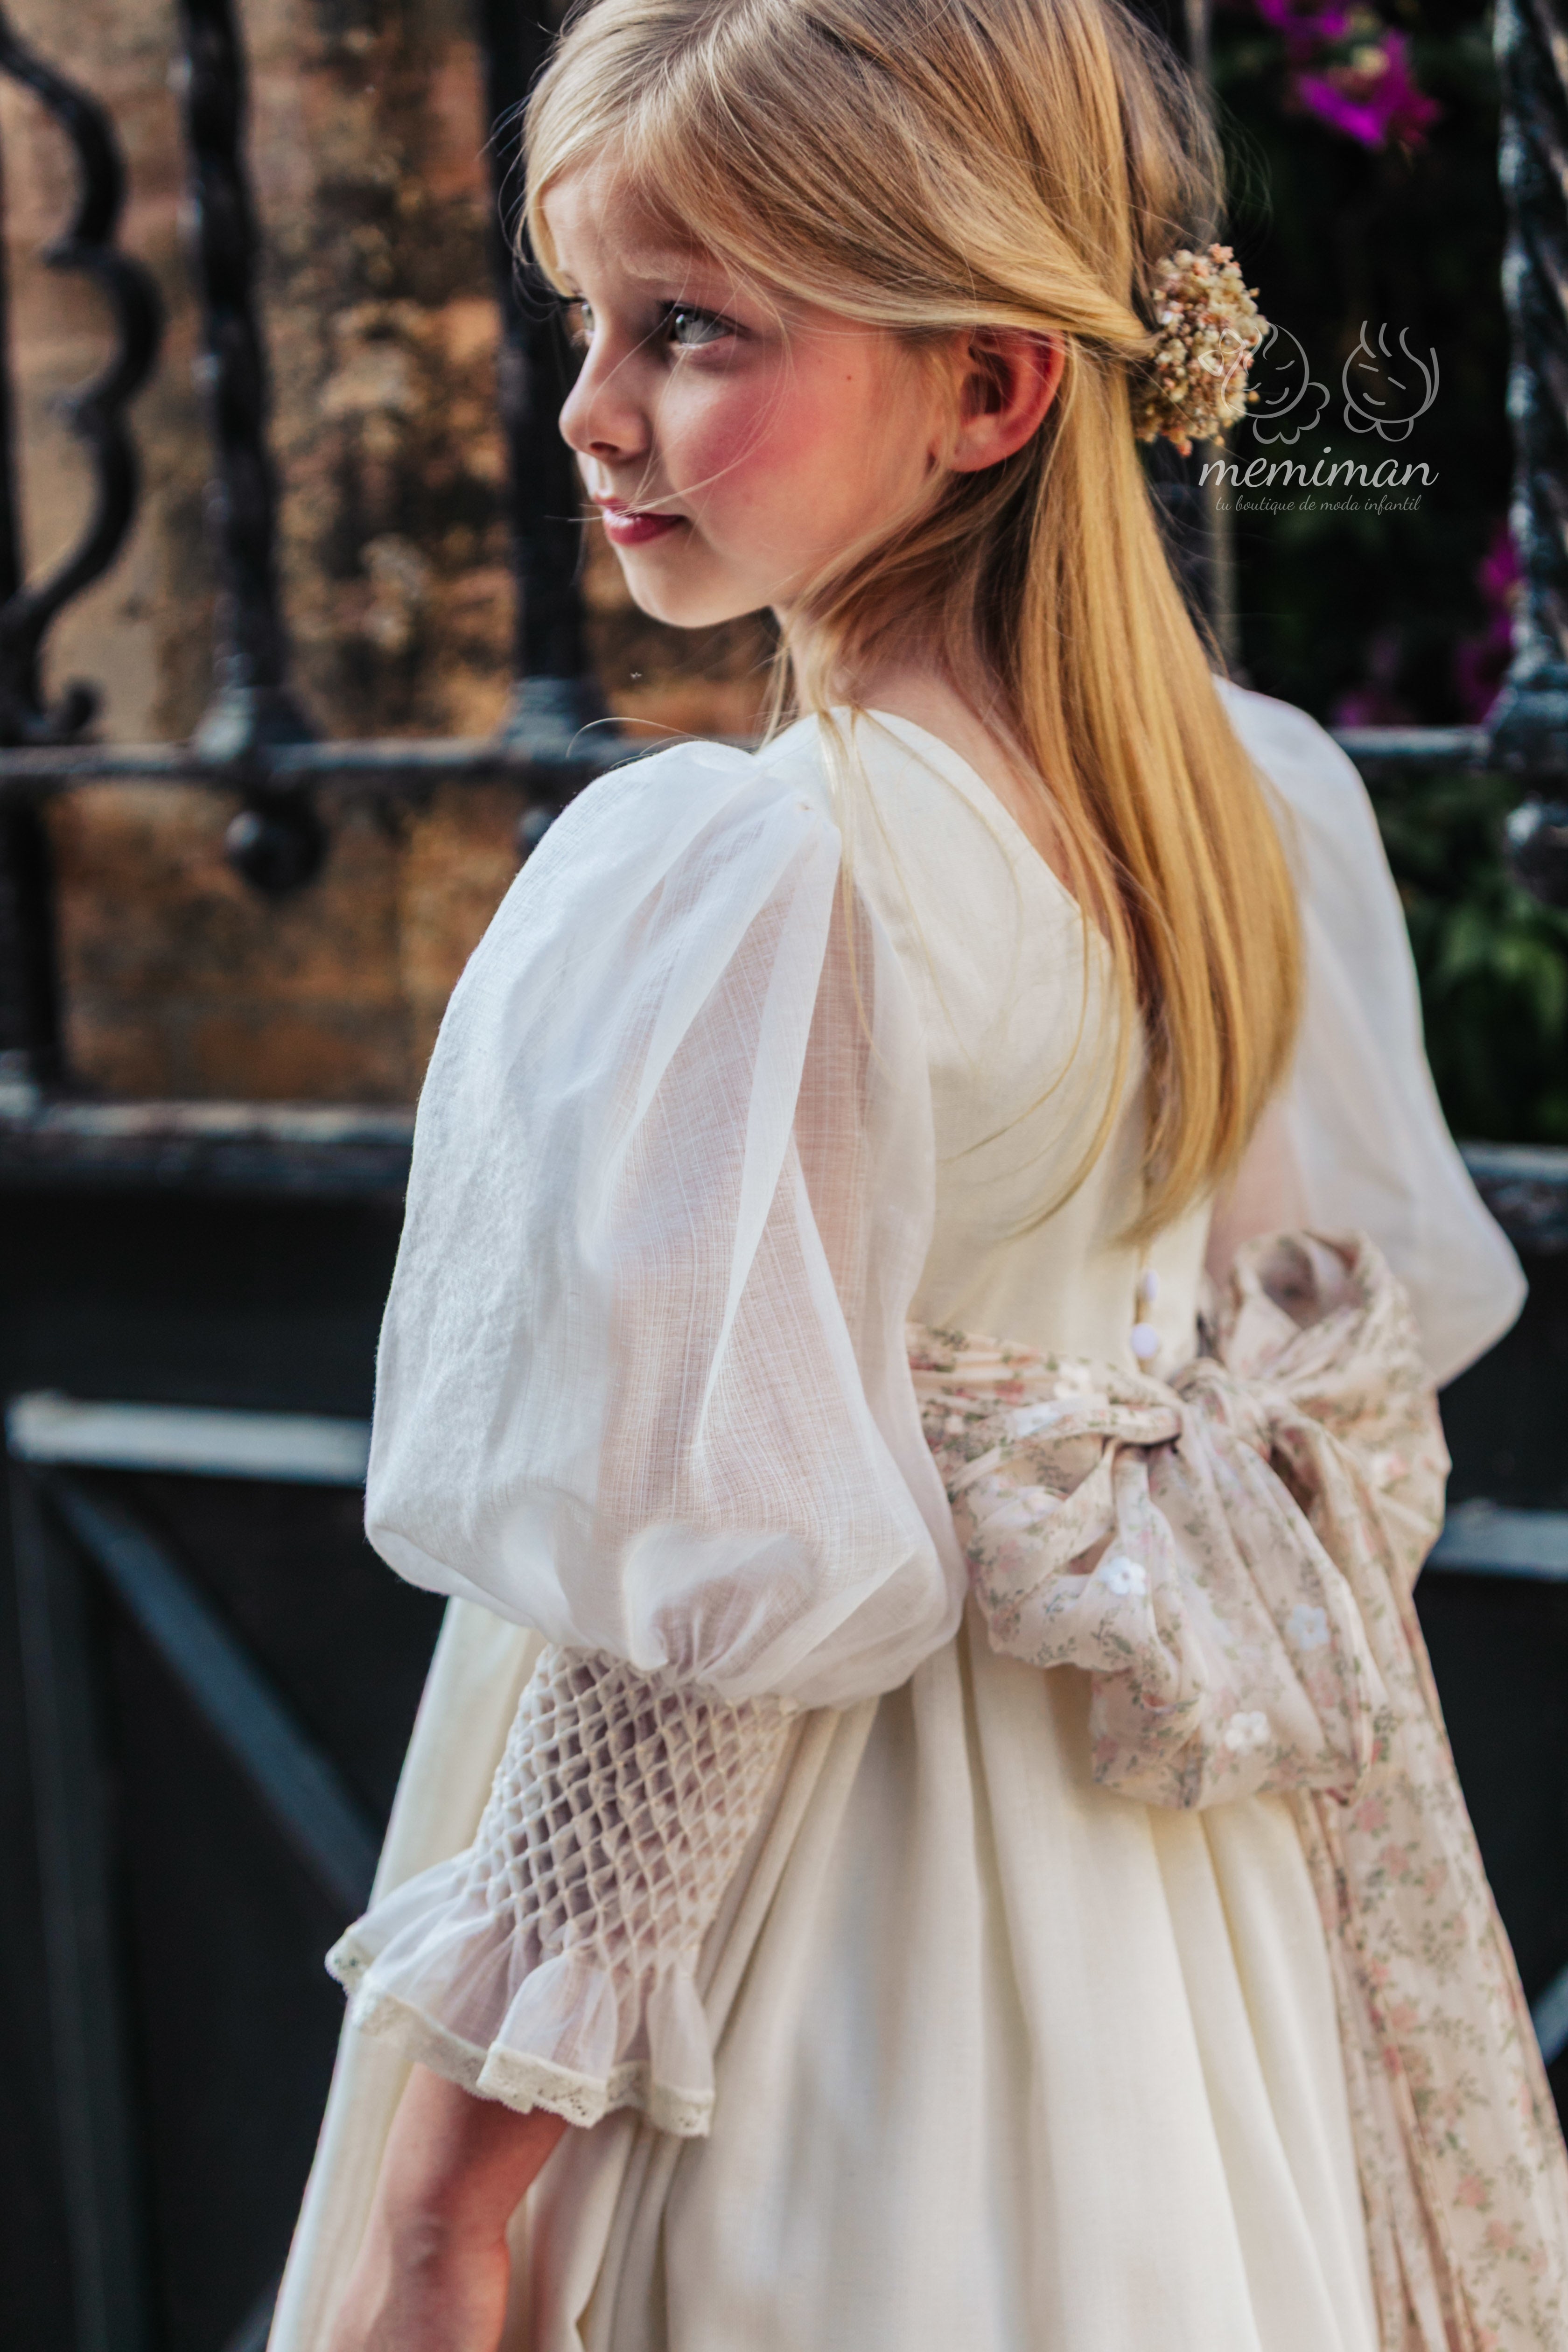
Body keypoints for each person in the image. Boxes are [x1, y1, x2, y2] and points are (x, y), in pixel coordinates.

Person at [268, 0, 1568, 2343]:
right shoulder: (1238, 809)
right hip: (1169, 1931)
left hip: (822, 1943)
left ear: (991, 386)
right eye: (586, 319)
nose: (590, 411)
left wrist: (443, 2209)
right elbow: (1274, 1376)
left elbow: (685, 1642)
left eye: (691, 330)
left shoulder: (777, 876)